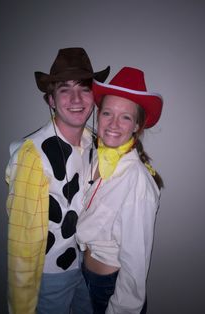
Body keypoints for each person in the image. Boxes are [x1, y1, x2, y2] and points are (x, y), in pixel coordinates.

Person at [5, 47, 110, 314]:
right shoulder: (32, 156)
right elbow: (23, 242)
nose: (76, 98)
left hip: (88, 267)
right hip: (51, 274)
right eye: (65, 89)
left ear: (93, 96)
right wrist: (22, 304)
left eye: (84, 88)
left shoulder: (96, 143)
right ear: (51, 100)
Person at [75, 66, 164, 314]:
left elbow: (135, 265)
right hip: (85, 277)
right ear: (97, 115)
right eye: (107, 113)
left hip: (111, 289)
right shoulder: (95, 157)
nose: (113, 123)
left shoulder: (136, 182)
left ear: (137, 125)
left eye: (125, 117)